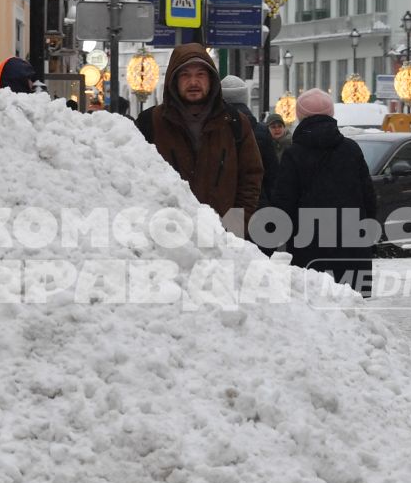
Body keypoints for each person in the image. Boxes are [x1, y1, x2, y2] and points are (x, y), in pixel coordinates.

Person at [139, 42, 264, 235]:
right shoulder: (151, 123)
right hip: (165, 237)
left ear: (211, 79)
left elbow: (250, 177)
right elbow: (136, 178)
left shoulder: (234, 123)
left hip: (222, 238)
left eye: (200, 75)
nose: (193, 82)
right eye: (185, 75)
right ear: (174, 80)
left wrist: (232, 229)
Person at [267, 88, 379, 297]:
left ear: (300, 116)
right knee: (352, 310)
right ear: (331, 114)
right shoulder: (351, 149)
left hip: (308, 245)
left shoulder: (293, 154)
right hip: (351, 243)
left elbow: (284, 202)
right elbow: (368, 197)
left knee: (316, 309)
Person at [220, 75, 280, 206]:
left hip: (226, 205)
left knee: (233, 227)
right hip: (257, 202)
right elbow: (272, 174)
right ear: (245, 98)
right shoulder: (261, 131)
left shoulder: (216, 131)